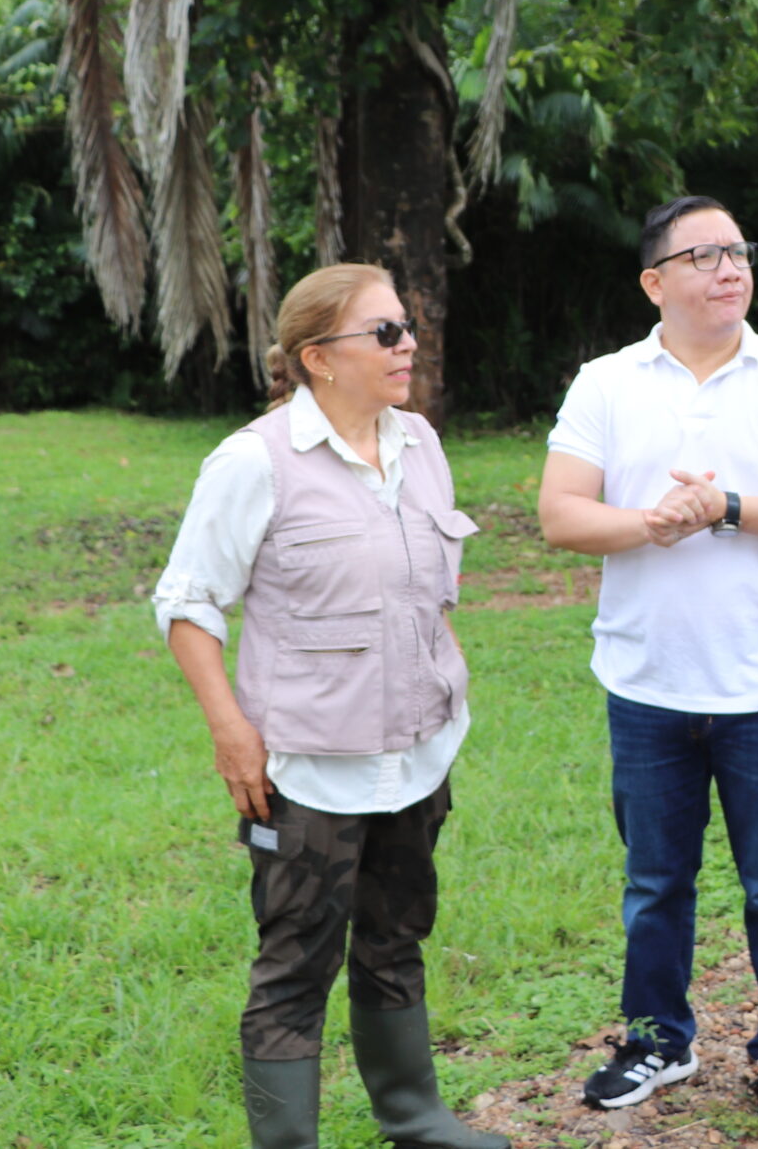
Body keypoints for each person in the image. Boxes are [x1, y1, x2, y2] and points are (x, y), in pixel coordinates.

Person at [152, 264, 506, 1149]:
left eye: (407, 325)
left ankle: (414, 1116)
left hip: (415, 755)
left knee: (396, 936)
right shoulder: (254, 459)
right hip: (308, 770)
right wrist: (232, 731)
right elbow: (188, 602)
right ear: (317, 356)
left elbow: (433, 595)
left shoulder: (421, 441)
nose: (408, 343)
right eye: (383, 331)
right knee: (295, 965)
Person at [537, 196, 758, 1126]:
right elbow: (562, 514)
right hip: (646, 683)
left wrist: (724, 508)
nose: (730, 268)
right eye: (704, 255)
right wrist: (652, 521)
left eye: (738, 252)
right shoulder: (606, 382)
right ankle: (656, 1039)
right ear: (655, 281)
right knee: (655, 884)